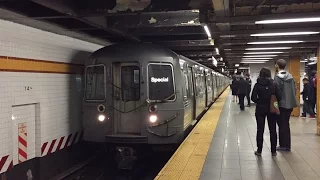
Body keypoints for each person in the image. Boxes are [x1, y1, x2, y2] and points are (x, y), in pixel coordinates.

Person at [251, 67, 281, 156]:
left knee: (260, 130)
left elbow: (253, 98)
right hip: (272, 109)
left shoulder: (257, 84)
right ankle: (273, 151)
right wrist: (272, 101)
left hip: (260, 109)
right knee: (273, 130)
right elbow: (280, 97)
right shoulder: (274, 84)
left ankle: (259, 150)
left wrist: (259, 101)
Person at [274, 59, 297, 152]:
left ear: (277, 65)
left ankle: (283, 145)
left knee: (282, 125)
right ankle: (287, 145)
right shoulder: (291, 77)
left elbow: (276, 93)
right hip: (290, 105)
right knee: (286, 124)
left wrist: (275, 106)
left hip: (281, 105)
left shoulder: (277, 78)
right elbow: (295, 89)